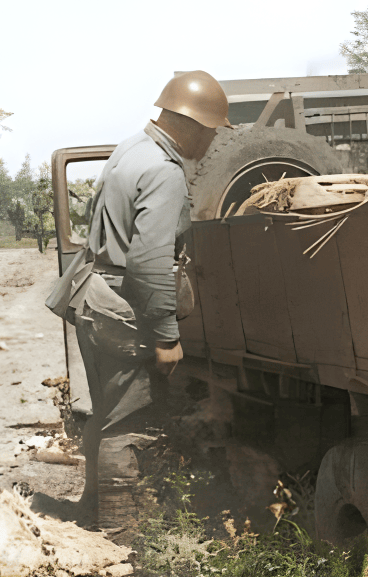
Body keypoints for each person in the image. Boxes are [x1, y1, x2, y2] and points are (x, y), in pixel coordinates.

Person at [40, 70, 231, 526]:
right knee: (130, 423)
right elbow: (149, 261)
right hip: (123, 307)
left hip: (96, 297)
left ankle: (93, 510)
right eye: (210, 133)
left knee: (106, 415)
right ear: (192, 124)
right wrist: (167, 337)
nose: (211, 143)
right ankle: (121, 531)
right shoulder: (163, 171)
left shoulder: (131, 148)